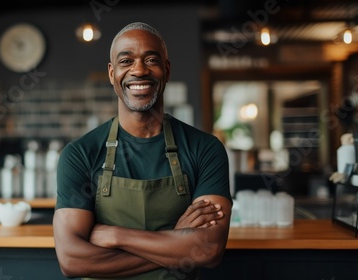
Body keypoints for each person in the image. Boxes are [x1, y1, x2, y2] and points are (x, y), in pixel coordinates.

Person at [53, 22, 232, 280]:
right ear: (112, 73)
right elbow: (72, 260)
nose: (139, 70)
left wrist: (116, 235)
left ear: (166, 70)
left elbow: (208, 249)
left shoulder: (205, 149)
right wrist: (175, 241)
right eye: (126, 61)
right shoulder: (80, 154)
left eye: (151, 59)